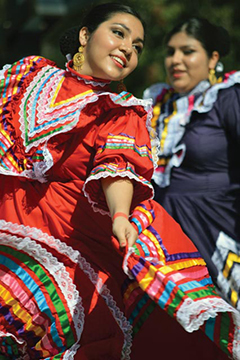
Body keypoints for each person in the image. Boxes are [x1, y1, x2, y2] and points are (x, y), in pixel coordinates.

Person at [0, 6, 239, 359]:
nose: (128, 48)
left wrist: (121, 215)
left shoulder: (124, 111)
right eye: (119, 33)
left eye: (139, 46)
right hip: (13, 214)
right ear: (85, 35)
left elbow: (118, 166)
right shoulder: (29, 75)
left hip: (77, 236)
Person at [143, 17, 240, 312]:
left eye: (188, 51)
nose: (176, 60)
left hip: (217, 231)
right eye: (170, 51)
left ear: (213, 58)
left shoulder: (227, 97)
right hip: (162, 239)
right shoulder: (156, 103)